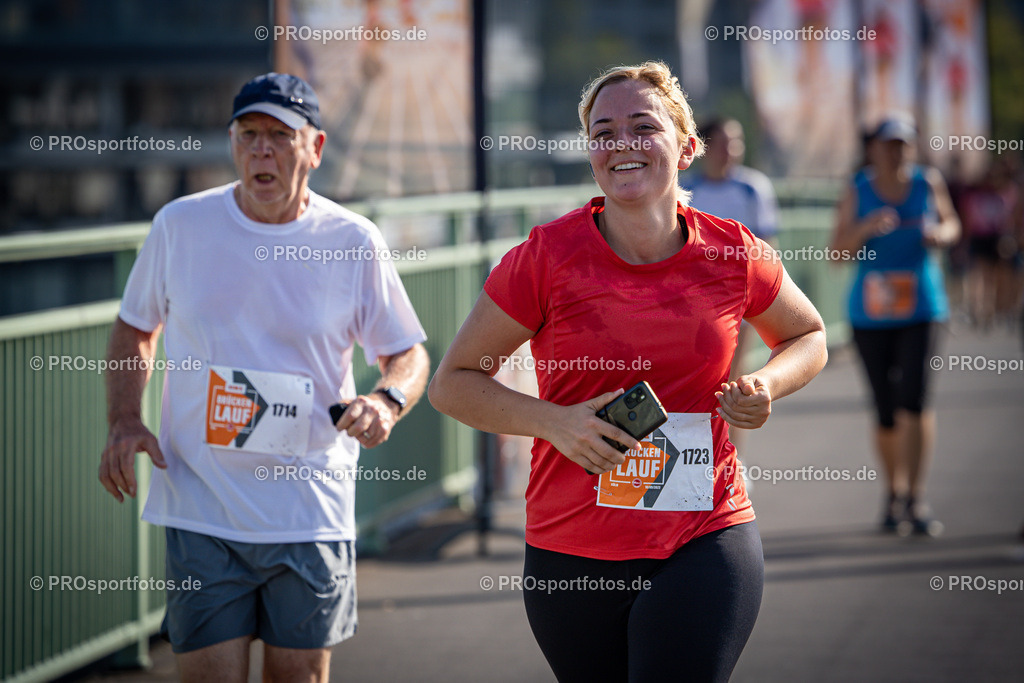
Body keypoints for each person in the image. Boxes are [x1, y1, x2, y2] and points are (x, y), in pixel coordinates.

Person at [429, 61, 827, 682]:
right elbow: (454, 382)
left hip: (704, 533)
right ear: (592, 155)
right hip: (571, 549)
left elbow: (808, 335)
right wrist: (555, 423)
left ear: (686, 148)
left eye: (643, 127)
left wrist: (766, 385)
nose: (622, 144)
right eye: (604, 133)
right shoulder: (545, 258)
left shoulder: (734, 251)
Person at [99, 73, 430, 683]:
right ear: (232, 143)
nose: (261, 151)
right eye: (248, 135)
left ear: (316, 148)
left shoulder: (352, 239)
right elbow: (135, 328)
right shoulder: (181, 225)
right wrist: (124, 420)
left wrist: (387, 399)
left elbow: (407, 352)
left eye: (280, 136)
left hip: (309, 509)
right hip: (202, 505)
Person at [830, 115, 960, 536]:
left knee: (914, 400)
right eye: (888, 145)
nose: (896, 153)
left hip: (921, 308)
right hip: (870, 314)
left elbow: (952, 223)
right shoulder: (858, 188)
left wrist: (941, 234)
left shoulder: (927, 182)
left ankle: (916, 497)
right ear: (873, 150)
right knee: (885, 407)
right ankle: (893, 492)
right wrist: (866, 228)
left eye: (903, 145)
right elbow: (836, 253)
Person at [682, 117, 781, 462]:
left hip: (738, 300)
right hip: (689, 302)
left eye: (737, 143)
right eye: (725, 143)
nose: (732, 150)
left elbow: (766, 245)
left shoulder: (754, 187)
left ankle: (732, 459)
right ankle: (695, 457)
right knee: (691, 380)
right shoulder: (684, 187)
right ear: (705, 147)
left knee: (733, 379)